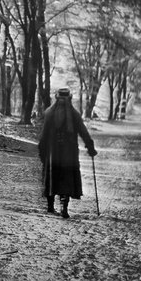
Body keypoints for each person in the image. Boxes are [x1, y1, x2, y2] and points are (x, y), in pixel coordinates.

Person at [38, 88, 96, 218]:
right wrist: (90, 147)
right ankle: (64, 207)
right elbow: (83, 132)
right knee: (67, 178)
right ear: (70, 98)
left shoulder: (49, 113)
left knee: (52, 175)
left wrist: (42, 151)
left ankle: (50, 205)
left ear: (56, 98)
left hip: (52, 151)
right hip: (68, 152)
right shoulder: (74, 114)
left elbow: (43, 135)